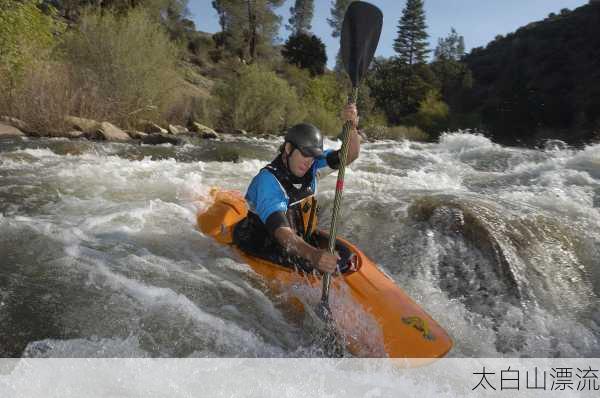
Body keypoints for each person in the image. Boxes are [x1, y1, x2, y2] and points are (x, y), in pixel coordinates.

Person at [233, 104, 360, 274]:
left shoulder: (313, 166)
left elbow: (349, 155)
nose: (309, 161)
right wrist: (313, 255)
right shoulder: (268, 181)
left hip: (299, 237)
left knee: (345, 259)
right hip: (266, 243)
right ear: (288, 149)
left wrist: (351, 126)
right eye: (305, 154)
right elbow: (281, 232)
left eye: (314, 156)